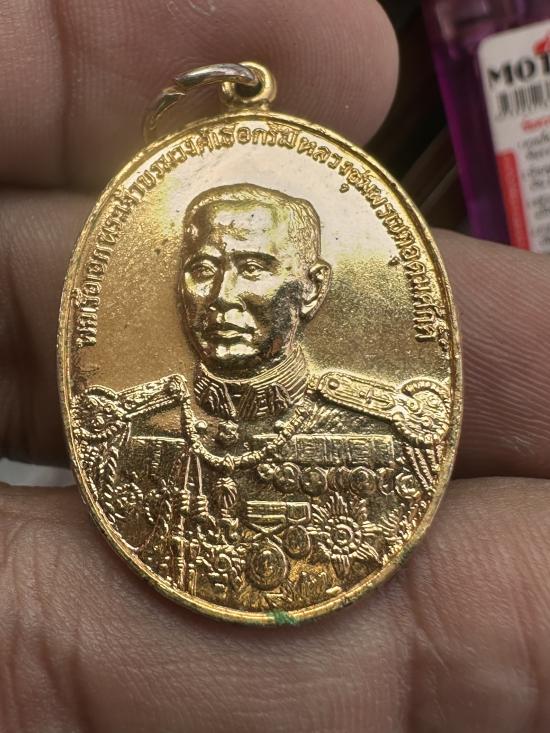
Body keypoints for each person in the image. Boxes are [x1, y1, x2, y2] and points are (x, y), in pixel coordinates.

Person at [0, 1, 549, 730]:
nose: (221, 296)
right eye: (202, 268)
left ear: (312, 288)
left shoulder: (385, 433)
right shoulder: (126, 428)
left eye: (254, 268)